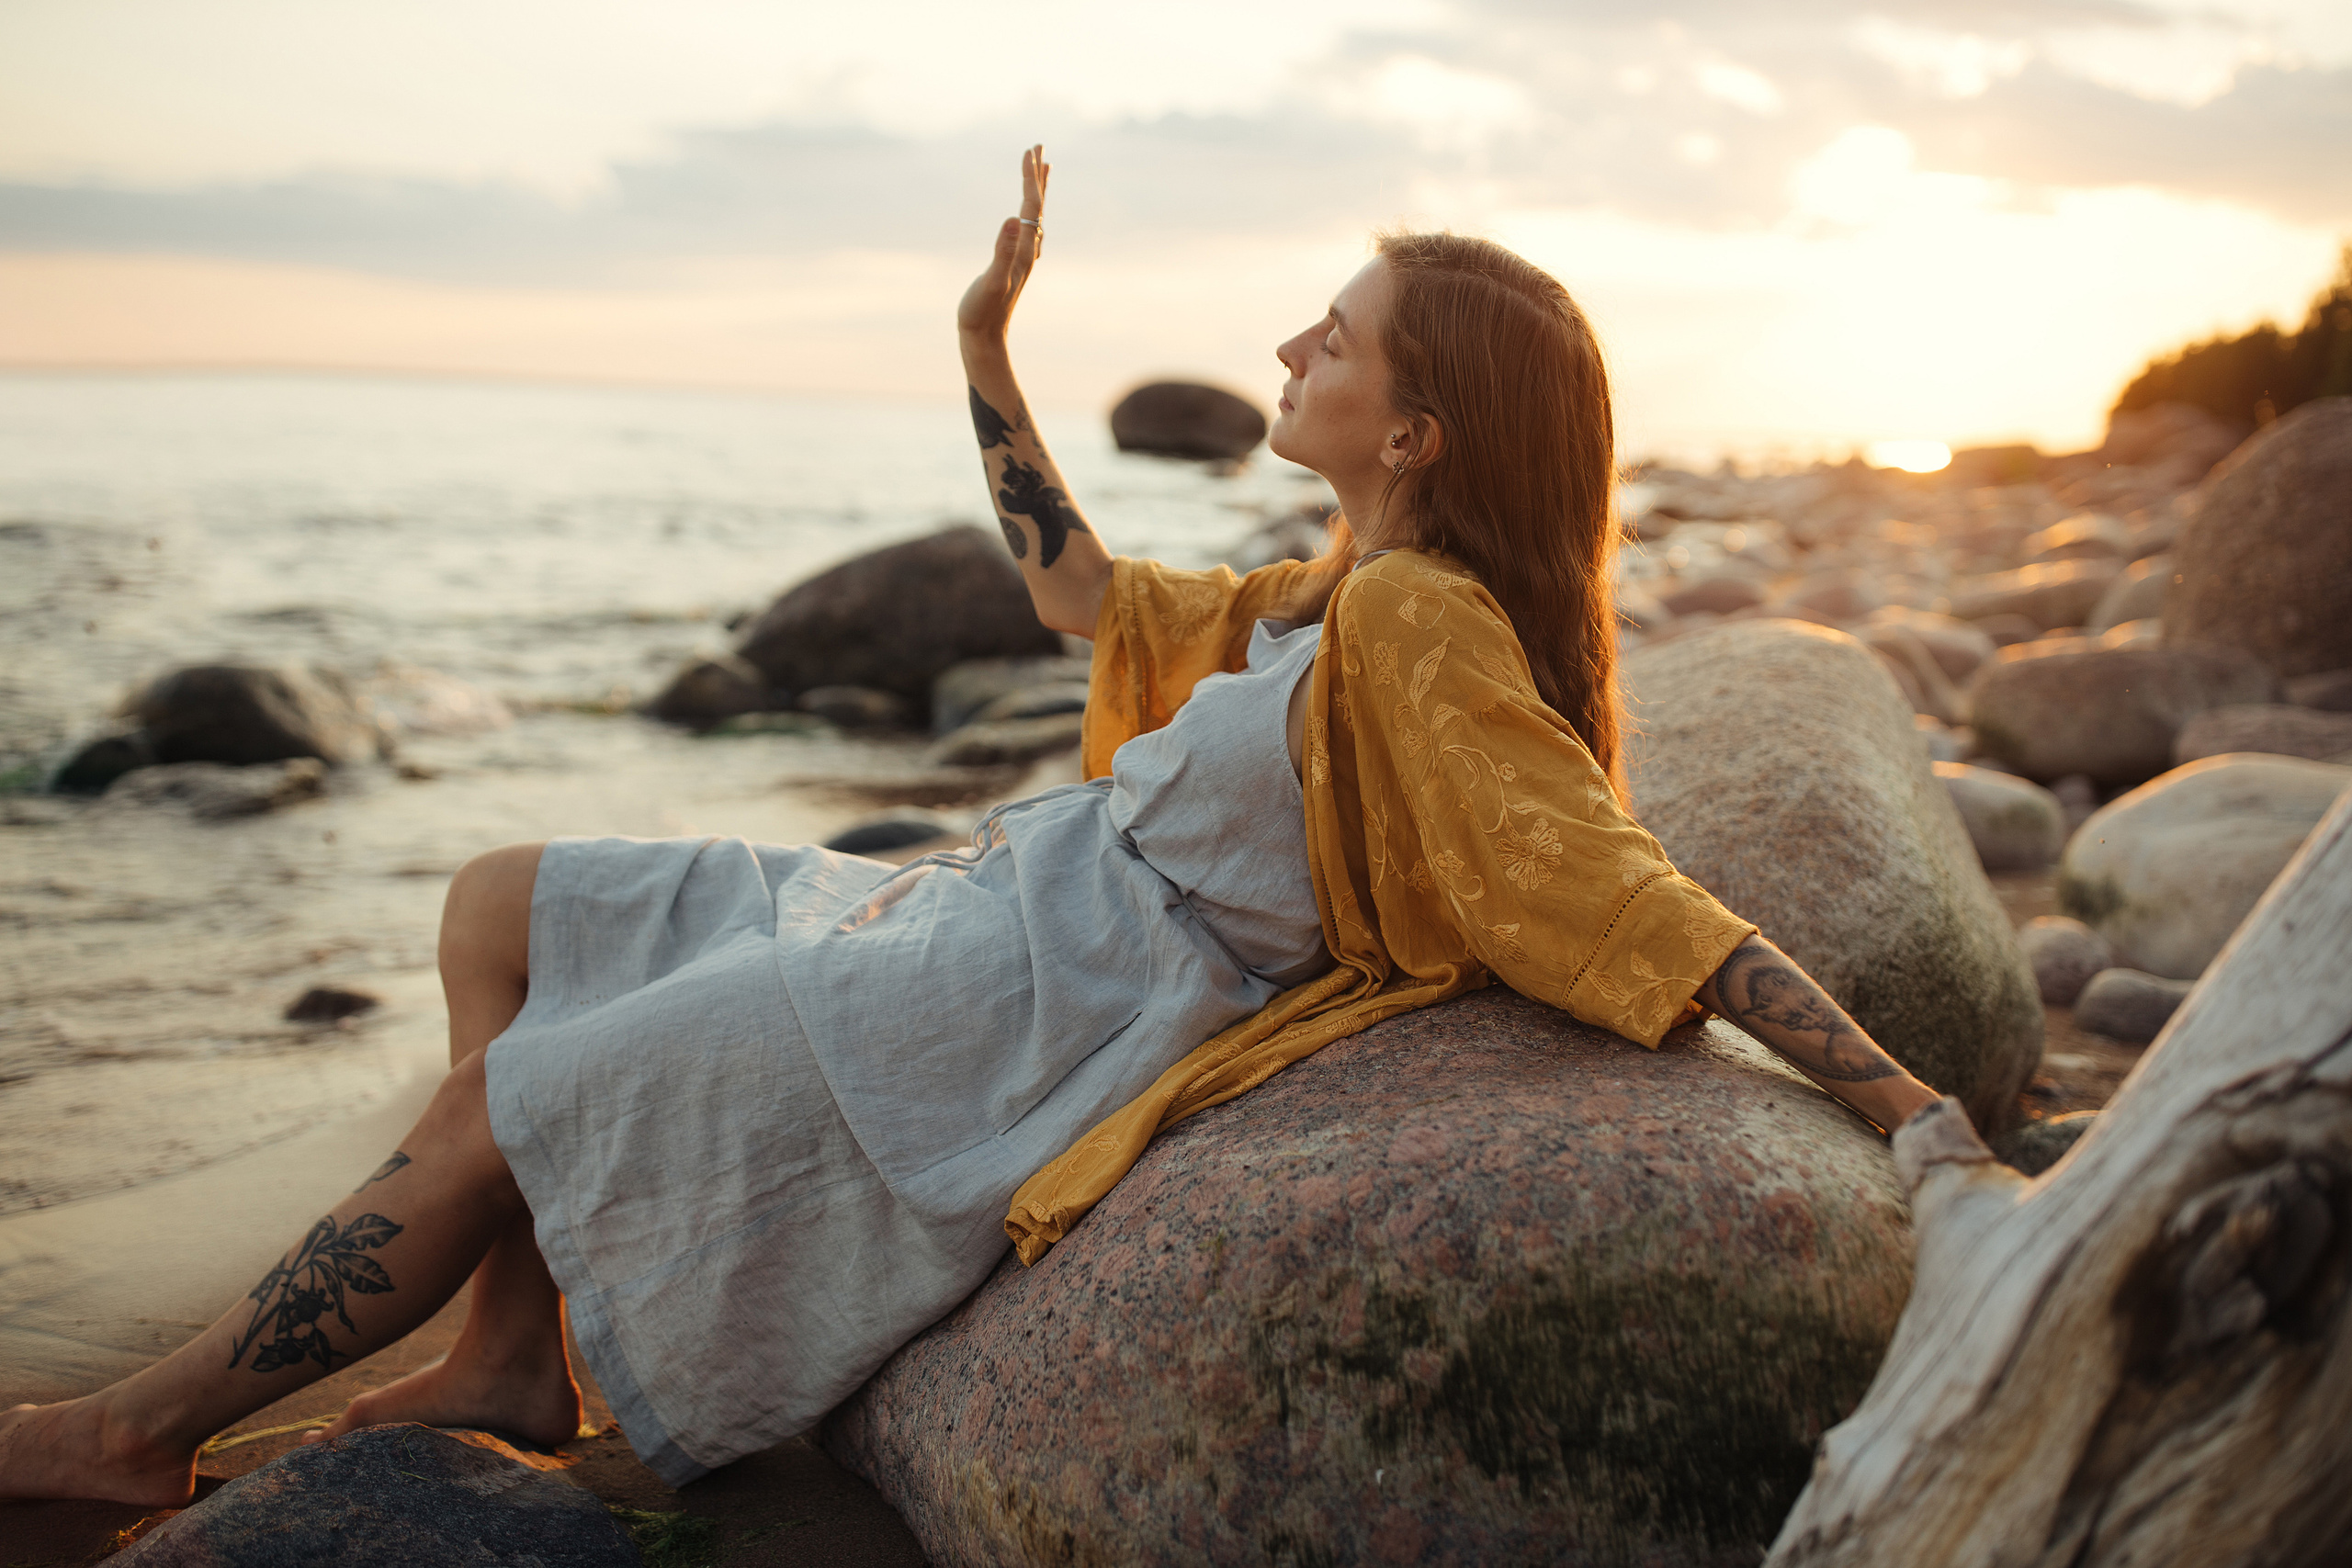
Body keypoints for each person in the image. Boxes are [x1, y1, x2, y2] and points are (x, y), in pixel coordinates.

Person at [0, 147, 1941, 1506]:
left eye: (1331, 340)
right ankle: (514, 1349)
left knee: (516, 1098)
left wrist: (1904, 1108)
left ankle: (136, 1424)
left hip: (1012, 999)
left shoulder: (1426, 628)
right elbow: (1080, 596)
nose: (1284, 349)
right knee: (502, 904)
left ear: (1419, 429)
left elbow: (1607, 885)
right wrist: (986, 345)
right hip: (976, 903)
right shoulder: (1333, 586)